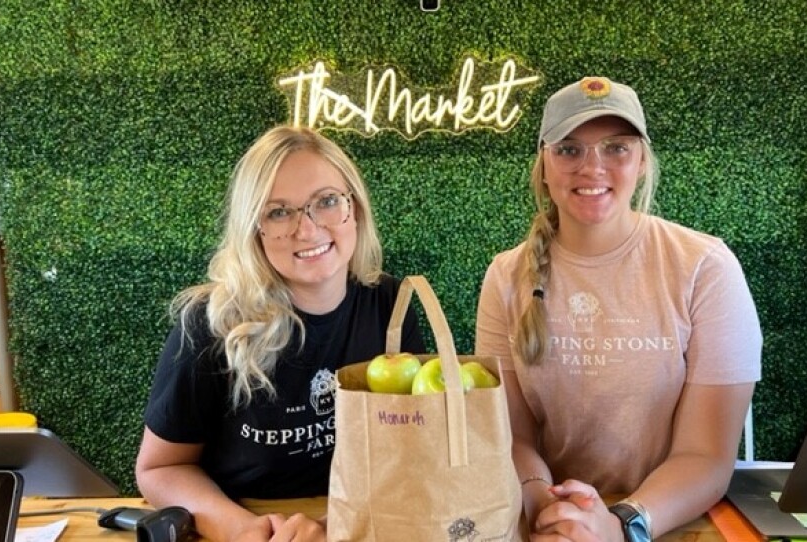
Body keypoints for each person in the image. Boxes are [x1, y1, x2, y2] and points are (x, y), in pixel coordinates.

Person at [474, 76, 762, 541]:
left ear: (643, 161)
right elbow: (512, 437)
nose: (593, 168)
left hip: (666, 520)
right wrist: (544, 503)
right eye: (569, 149)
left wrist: (620, 524)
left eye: (616, 148)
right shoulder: (505, 277)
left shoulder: (706, 268)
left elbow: (706, 456)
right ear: (543, 164)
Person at [135, 125, 426, 542]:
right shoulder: (210, 323)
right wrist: (244, 530)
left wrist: (335, 526)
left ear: (355, 209)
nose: (306, 230)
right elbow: (159, 468)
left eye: (326, 202)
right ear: (255, 229)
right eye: (278, 211)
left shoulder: (390, 305)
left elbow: (414, 447)